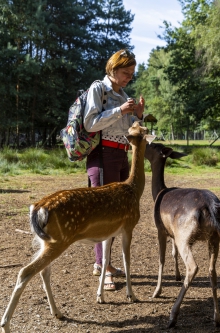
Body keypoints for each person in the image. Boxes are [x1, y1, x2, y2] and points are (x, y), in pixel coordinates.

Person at [83, 49, 145, 291]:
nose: (129, 77)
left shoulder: (123, 94)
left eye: (131, 73)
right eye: (125, 72)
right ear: (112, 69)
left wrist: (137, 115)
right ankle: (104, 267)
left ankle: (104, 263)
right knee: (104, 212)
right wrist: (120, 111)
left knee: (118, 212)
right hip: (102, 155)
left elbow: (129, 128)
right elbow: (90, 123)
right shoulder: (99, 89)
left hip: (121, 154)